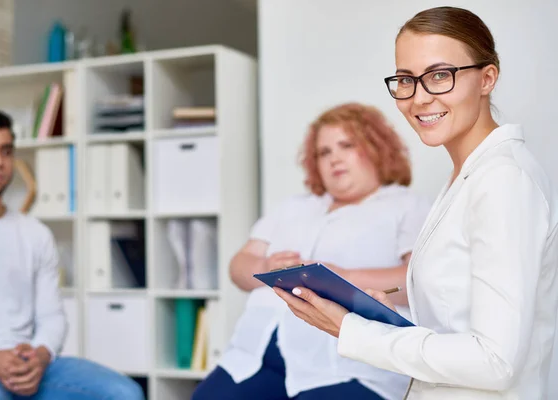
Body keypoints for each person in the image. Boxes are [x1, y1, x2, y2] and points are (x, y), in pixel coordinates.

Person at [275, 6, 558, 400]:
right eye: (406, 80)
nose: (419, 98)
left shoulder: (503, 180)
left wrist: (353, 330)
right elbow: (456, 303)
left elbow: (496, 360)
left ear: (486, 78)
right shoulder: (467, 176)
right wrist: (373, 310)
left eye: (440, 75)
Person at [192, 102, 431, 400]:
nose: (335, 159)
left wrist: (343, 277)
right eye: (324, 152)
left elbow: (420, 282)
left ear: (377, 147)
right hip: (256, 353)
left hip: (347, 362)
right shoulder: (294, 207)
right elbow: (238, 268)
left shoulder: (407, 206)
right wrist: (265, 265)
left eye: (347, 145)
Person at [0, 107, 145, 400]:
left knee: (125, 393)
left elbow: (52, 316)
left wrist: (41, 354)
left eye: (6, 152)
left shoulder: (35, 233)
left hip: (28, 360)